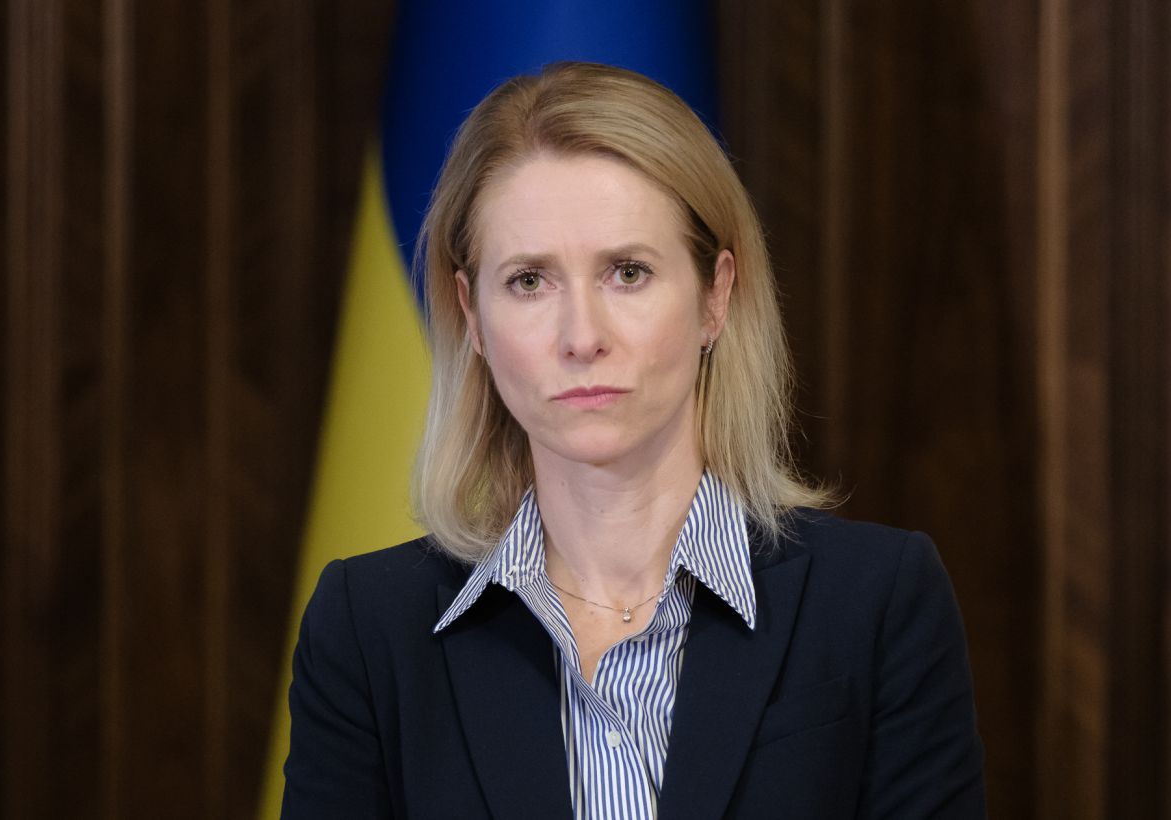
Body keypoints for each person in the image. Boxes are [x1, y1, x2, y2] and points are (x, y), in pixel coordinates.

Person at [282, 62, 985, 819]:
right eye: (529, 281)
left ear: (715, 296)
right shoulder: (366, 629)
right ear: (471, 315)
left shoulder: (877, 603)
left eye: (627, 272)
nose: (582, 336)